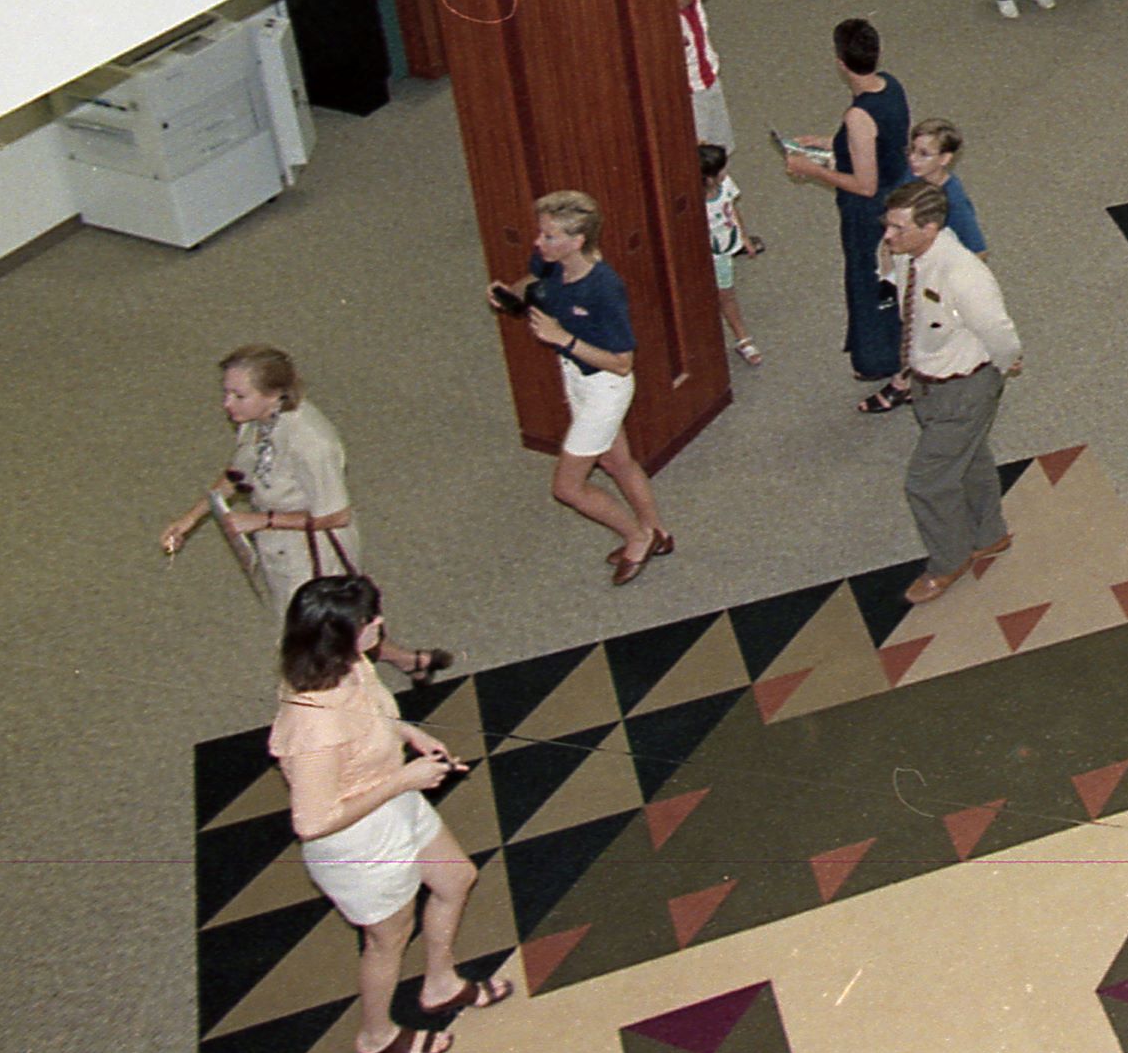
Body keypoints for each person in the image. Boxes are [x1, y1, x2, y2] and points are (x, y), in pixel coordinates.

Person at [269, 575, 501, 1053]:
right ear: (339, 635)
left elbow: (372, 715)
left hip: (394, 800)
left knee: (456, 879)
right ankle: (376, 1036)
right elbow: (312, 821)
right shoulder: (315, 724)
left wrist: (409, 735)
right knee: (388, 940)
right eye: (369, 620)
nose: (380, 623)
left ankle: (440, 984)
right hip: (357, 841)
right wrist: (402, 781)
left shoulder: (348, 665)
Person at [155, 347, 447, 675]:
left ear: (274, 394)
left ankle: (349, 693)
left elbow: (337, 516)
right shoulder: (258, 421)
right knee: (328, 627)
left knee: (316, 633)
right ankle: (410, 661)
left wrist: (261, 521)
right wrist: (189, 520)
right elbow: (238, 473)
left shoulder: (312, 443)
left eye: (239, 395)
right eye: (226, 393)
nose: (227, 404)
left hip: (313, 552)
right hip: (280, 545)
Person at [490, 190, 672, 583]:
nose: (539, 242)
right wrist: (511, 293)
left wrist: (563, 338)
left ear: (577, 241)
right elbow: (536, 279)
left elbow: (622, 364)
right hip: (576, 376)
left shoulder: (604, 288)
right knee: (616, 462)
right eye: (540, 233)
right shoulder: (551, 260)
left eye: (549, 236)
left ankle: (637, 536)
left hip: (605, 387)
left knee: (567, 487)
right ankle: (657, 530)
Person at [878, 181, 1023, 603]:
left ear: (930, 228)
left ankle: (949, 561)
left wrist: (1005, 364)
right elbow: (900, 292)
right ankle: (990, 534)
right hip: (929, 383)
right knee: (971, 458)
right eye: (888, 224)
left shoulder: (963, 274)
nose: (888, 235)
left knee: (925, 483)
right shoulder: (910, 255)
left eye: (898, 228)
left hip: (965, 389)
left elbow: (999, 332)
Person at [786, 16, 911, 384]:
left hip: (869, 211)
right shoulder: (891, 85)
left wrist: (812, 169)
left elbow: (864, 184)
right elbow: (880, 143)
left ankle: (876, 358)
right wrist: (828, 143)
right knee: (890, 278)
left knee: (868, 280)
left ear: (841, 62)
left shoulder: (858, 115)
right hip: (896, 189)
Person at [701, 144, 764, 366]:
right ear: (709, 179)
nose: (726, 173)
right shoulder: (695, 202)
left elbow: (732, 208)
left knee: (726, 295)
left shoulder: (726, 184)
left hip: (722, 254)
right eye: (722, 170)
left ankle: (742, 338)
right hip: (703, 256)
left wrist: (743, 236)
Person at [673, 0, 733, 149]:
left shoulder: (693, 1)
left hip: (710, 81)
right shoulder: (668, 23)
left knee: (720, 148)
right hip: (691, 95)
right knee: (700, 154)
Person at [904, 116, 986, 254]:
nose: (912, 158)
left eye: (924, 154)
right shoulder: (911, 173)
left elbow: (978, 251)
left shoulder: (954, 201)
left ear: (945, 158)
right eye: (912, 149)